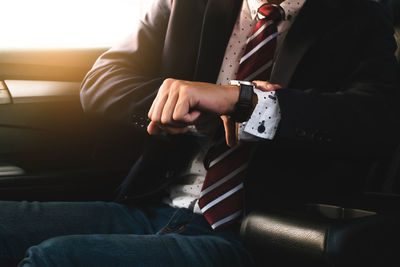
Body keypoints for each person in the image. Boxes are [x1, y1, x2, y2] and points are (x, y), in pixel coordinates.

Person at [0, 0, 398, 266]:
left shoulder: (357, 16)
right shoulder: (185, 4)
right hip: (152, 205)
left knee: (58, 258)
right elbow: (103, 80)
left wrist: (244, 103)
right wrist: (182, 105)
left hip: (255, 229)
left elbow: (375, 119)